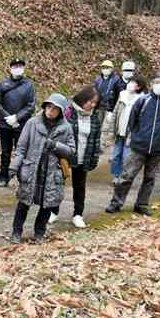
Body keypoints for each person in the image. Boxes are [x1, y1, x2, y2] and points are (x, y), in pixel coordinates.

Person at [106, 73, 160, 216]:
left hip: (158, 149)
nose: (159, 85)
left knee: (150, 178)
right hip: (139, 147)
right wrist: (137, 136)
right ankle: (116, 203)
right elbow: (133, 121)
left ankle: (142, 204)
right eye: (157, 82)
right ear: (151, 85)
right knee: (126, 176)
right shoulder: (143, 101)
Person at [9, 94, 76, 244]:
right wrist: (14, 167)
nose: (50, 111)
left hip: (52, 173)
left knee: (47, 205)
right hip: (32, 170)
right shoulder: (32, 123)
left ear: (61, 111)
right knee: (23, 203)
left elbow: (72, 151)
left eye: (55, 109)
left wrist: (55, 145)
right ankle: (16, 231)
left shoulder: (66, 128)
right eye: (48, 106)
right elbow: (21, 148)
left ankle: (39, 232)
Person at [52, 85, 102, 228]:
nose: (92, 105)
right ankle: (53, 211)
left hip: (83, 156)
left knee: (80, 187)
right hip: (66, 156)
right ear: (82, 99)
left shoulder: (94, 118)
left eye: (94, 103)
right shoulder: (68, 112)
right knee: (58, 184)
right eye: (90, 101)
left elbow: (96, 140)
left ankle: (78, 214)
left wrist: (94, 158)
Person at [0, 58, 36, 187]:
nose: (18, 68)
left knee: (21, 152)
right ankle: (3, 177)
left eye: (20, 66)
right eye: (15, 66)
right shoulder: (2, 84)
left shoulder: (29, 85)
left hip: (21, 124)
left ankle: (20, 177)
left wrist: (17, 117)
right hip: (5, 124)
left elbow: (31, 105)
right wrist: (8, 118)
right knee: (5, 152)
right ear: (10, 68)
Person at [102, 71, 146, 184]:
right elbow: (115, 113)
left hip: (130, 134)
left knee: (126, 157)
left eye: (133, 83)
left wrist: (134, 135)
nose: (130, 84)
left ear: (139, 86)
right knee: (116, 155)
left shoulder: (141, 100)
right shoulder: (122, 95)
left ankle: (124, 177)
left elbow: (141, 121)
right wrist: (111, 132)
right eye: (130, 82)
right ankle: (116, 175)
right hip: (119, 132)